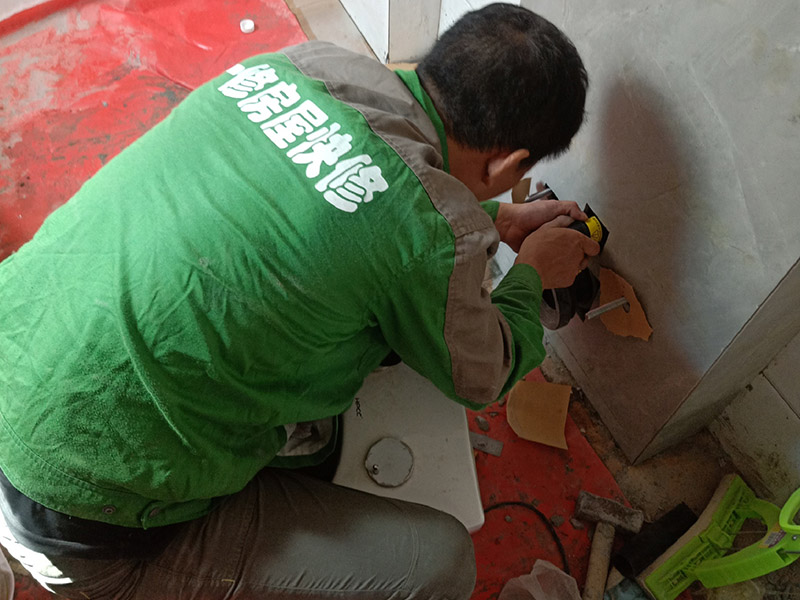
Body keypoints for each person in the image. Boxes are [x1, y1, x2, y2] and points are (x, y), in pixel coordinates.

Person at [0, 3, 598, 599]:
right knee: (440, 563)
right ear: (509, 163)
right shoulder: (430, 235)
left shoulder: (302, 66)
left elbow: (354, 200)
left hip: (21, 358)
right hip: (77, 518)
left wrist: (491, 217)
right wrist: (532, 274)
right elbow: (481, 373)